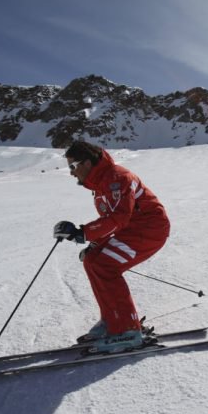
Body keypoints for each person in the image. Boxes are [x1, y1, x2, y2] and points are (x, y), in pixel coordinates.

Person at [53, 140, 170, 353]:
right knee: (92, 260)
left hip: (149, 230)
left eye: (72, 166)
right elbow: (112, 220)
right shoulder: (101, 183)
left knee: (105, 265)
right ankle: (112, 319)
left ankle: (128, 330)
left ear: (86, 163)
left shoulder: (117, 179)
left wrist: (83, 233)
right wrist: (94, 243)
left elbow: (118, 218)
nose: (71, 173)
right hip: (131, 230)